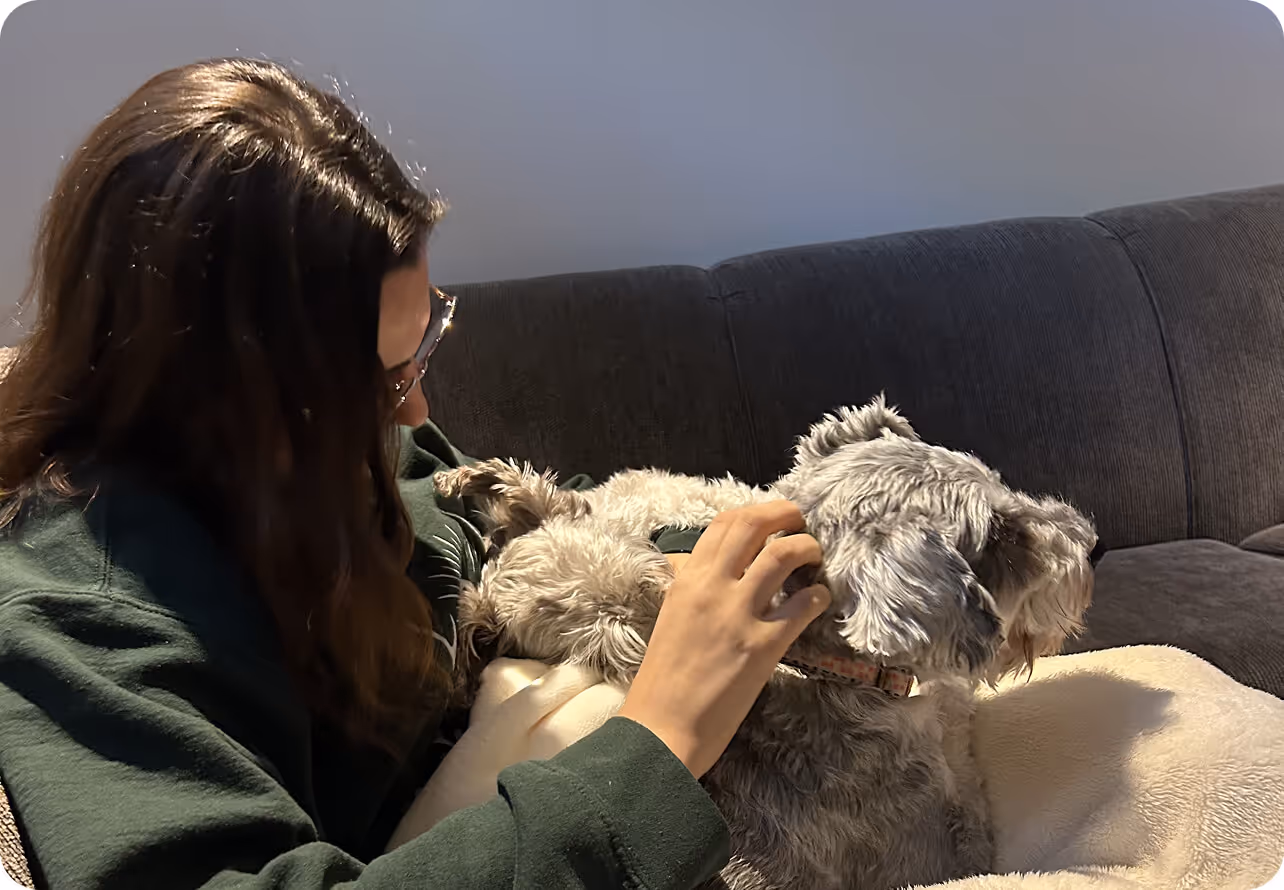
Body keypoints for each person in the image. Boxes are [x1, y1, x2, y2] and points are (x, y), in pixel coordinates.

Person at [0, 58, 831, 889]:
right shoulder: (87, 626)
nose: (416, 414)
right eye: (384, 381)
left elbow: (521, 519)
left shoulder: (340, 458)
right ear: (215, 399)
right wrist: (664, 735)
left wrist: (687, 561)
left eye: (426, 337)